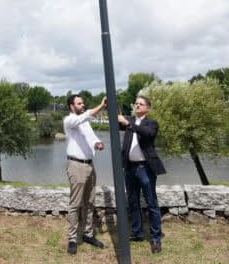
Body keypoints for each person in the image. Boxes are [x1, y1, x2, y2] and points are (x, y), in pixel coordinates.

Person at [117, 95, 166, 254]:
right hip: (130, 168)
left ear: (147, 108)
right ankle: (137, 232)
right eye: (136, 103)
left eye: (141, 104)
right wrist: (109, 105)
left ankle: (155, 238)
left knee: (152, 203)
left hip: (145, 168)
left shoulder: (151, 123)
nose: (137, 105)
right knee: (133, 202)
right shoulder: (129, 120)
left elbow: (147, 134)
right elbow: (115, 122)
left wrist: (129, 124)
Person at [63, 94, 107, 255]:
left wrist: (97, 143)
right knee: (75, 204)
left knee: (89, 203)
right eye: (79, 103)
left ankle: (88, 235)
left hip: (89, 166)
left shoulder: (85, 122)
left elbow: (91, 137)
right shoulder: (69, 121)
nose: (82, 105)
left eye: (83, 103)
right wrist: (101, 106)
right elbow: (86, 116)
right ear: (71, 106)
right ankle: (72, 239)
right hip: (76, 165)